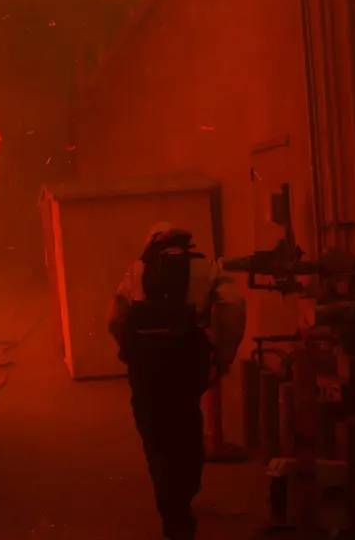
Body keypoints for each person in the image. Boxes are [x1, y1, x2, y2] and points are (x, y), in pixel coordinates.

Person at [107, 222, 246, 540]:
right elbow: (233, 307)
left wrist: (128, 351)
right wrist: (223, 355)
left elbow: (114, 318)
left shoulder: (136, 270)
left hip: (146, 365)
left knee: (154, 435)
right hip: (186, 360)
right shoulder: (206, 268)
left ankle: (171, 508)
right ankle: (184, 493)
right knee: (185, 423)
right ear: (185, 242)